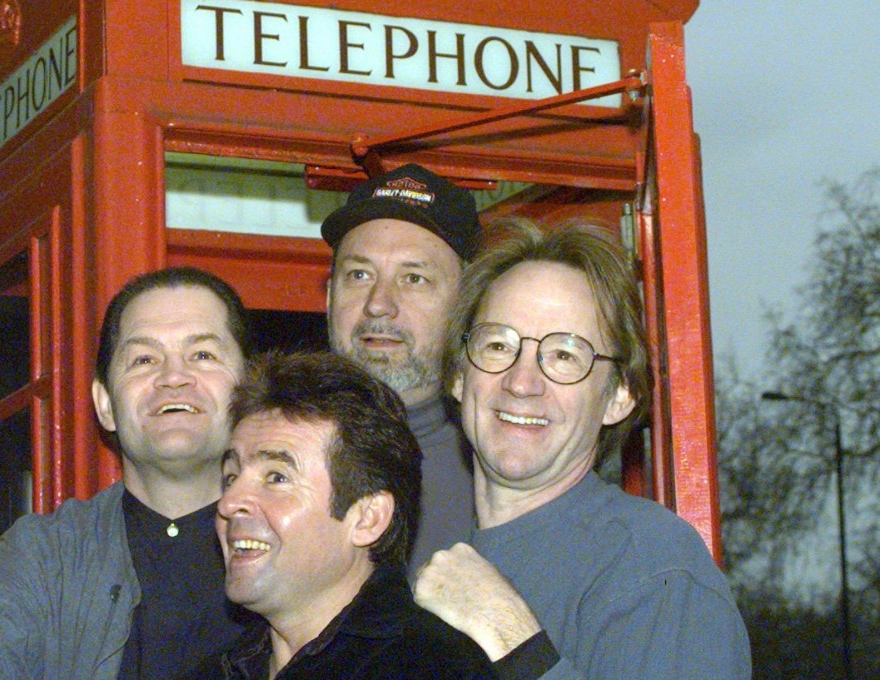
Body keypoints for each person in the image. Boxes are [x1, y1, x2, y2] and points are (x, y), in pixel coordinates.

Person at [0, 267, 256, 679]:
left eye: (203, 355)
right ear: (105, 405)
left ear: (249, 388)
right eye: (144, 359)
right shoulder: (45, 556)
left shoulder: (300, 535)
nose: (174, 377)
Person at [413, 218, 752, 679]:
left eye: (565, 356)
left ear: (618, 397)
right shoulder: (440, 573)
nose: (521, 381)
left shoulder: (652, 567)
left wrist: (511, 638)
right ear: (458, 375)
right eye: (498, 345)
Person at [197, 351, 496, 679]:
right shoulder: (214, 671)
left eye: (277, 478)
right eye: (231, 477)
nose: (229, 502)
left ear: (367, 518)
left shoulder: (435, 670)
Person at [322, 163, 481, 573]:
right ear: (328, 298)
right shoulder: (266, 449)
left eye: (413, 278)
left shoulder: (502, 467)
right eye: (358, 274)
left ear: (466, 307)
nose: (378, 303)